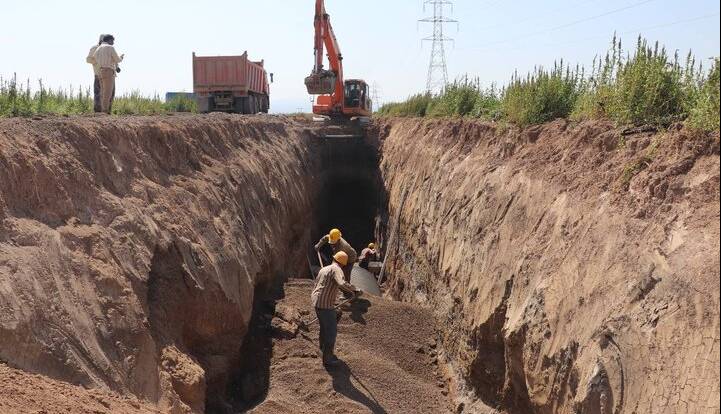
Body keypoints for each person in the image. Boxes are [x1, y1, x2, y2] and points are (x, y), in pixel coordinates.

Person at [311, 251, 361, 367]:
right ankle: (328, 359)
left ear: (334, 258)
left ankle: (322, 347)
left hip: (317, 300)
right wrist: (355, 289)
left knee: (332, 318)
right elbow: (341, 283)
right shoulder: (337, 269)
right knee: (331, 332)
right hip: (324, 304)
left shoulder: (324, 268)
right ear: (343, 264)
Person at [93, 34, 124, 114]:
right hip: (109, 71)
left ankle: (102, 110)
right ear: (109, 40)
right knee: (108, 92)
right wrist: (121, 58)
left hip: (100, 71)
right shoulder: (110, 48)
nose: (113, 42)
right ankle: (105, 111)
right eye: (112, 40)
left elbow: (95, 57)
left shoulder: (98, 48)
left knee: (103, 91)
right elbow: (117, 59)